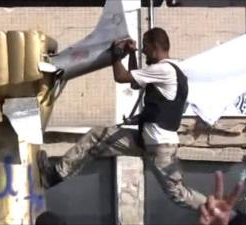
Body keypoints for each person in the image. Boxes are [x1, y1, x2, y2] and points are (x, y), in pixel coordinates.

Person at [37, 27, 207, 210]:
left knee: (177, 193)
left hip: (159, 146)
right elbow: (136, 83)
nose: (143, 51)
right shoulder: (174, 69)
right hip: (147, 141)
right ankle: (54, 175)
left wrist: (115, 55)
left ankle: (217, 210)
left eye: (145, 47)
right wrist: (131, 54)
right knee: (97, 136)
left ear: (155, 46)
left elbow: (121, 77)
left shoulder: (164, 70)